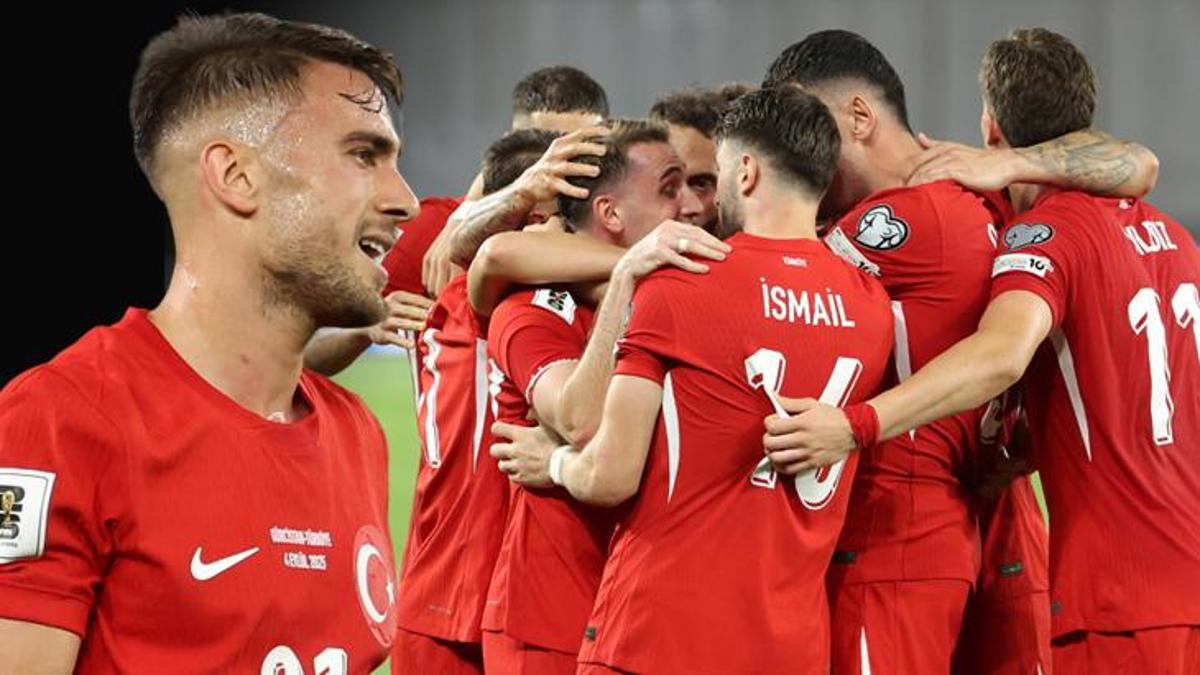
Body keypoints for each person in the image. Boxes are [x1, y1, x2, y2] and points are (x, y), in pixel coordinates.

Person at [763, 28, 1200, 675]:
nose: (799, 149)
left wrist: (855, 426)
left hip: (1090, 584)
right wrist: (1017, 443)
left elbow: (1001, 355)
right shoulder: (1170, 236)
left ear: (990, 127)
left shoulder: (1033, 229)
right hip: (1134, 561)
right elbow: (1140, 163)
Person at [0, 12, 417, 674]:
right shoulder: (63, 421)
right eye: (363, 155)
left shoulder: (356, 433)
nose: (406, 201)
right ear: (236, 175)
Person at [492, 86, 894, 674]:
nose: (699, 204)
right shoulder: (871, 305)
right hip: (790, 644)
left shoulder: (680, 284)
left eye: (718, 173)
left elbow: (609, 476)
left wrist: (552, 463)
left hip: (660, 635)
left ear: (747, 172)